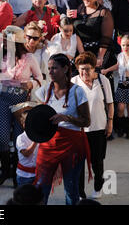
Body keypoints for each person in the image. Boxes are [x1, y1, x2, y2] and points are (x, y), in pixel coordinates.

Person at [33, 53, 91, 205]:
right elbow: (36, 117)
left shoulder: (78, 91)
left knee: (71, 190)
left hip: (72, 144)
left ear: (65, 69)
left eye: (55, 68)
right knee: (40, 188)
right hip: (48, 143)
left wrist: (67, 118)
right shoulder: (43, 91)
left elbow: (86, 121)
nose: (51, 72)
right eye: (49, 68)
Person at [0, 25, 43, 188]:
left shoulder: (29, 58)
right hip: (5, 97)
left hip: (22, 99)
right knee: (1, 137)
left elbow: (40, 78)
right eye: (5, 40)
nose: (6, 42)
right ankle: (4, 169)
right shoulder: (3, 55)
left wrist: (32, 83)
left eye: (9, 40)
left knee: (18, 138)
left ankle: (16, 172)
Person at [72, 52, 113, 199]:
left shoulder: (103, 81)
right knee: (78, 164)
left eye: (88, 68)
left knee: (97, 161)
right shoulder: (73, 82)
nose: (84, 72)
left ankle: (98, 186)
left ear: (94, 68)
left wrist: (110, 122)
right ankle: (80, 193)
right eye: (81, 69)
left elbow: (109, 103)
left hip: (99, 127)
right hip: (79, 130)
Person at [102, 34, 129, 139]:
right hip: (122, 85)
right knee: (120, 108)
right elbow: (117, 66)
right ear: (120, 45)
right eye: (123, 45)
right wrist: (107, 70)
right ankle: (121, 128)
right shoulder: (120, 56)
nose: (126, 47)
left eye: (128, 45)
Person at [72, 0, 115, 74]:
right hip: (80, 51)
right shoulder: (80, 9)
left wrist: (100, 56)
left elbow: (106, 38)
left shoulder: (104, 12)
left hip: (97, 51)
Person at [24, 21, 50, 87]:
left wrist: (45, 41)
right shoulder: (20, 49)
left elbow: (54, 50)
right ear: (24, 36)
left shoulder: (43, 49)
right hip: (23, 85)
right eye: (29, 37)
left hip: (38, 86)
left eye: (35, 38)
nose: (31, 41)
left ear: (40, 38)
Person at [15, 116, 38, 186]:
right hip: (24, 176)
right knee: (24, 196)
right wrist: (36, 140)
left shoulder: (41, 137)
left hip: (38, 175)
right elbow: (26, 153)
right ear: (24, 124)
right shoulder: (20, 138)